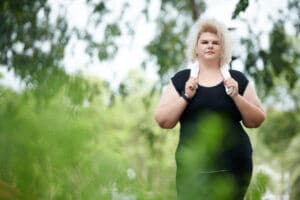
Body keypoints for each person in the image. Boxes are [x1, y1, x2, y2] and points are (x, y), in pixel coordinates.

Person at [154, 18, 265, 200]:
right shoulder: (181, 80)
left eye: (215, 43)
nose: (210, 46)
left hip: (233, 166)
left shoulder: (237, 79)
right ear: (196, 48)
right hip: (193, 168)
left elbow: (257, 120)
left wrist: (236, 96)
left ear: (223, 48)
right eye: (204, 42)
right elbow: (163, 121)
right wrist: (186, 96)